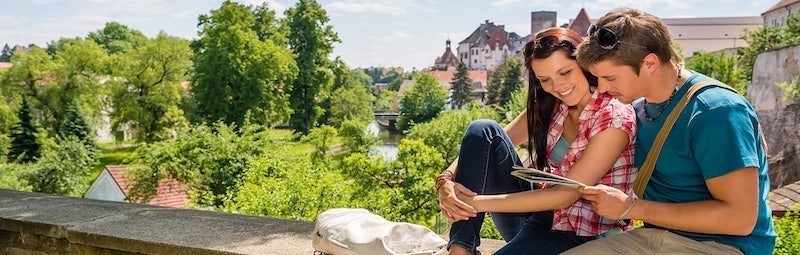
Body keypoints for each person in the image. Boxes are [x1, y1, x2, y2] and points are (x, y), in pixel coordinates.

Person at [564, 7, 776, 255]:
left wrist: (632, 208)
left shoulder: (715, 112)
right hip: (656, 236)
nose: (601, 88)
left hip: (726, 246)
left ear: (650, 63)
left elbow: (739, 220)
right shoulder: (638, 107)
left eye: (610, 77)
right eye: (597, 78)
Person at [434, 27, 637, 255]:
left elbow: (565, 195)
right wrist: (446, 180)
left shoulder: (615, 118)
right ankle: (461, 249)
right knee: (482, 129)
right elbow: (487, 144)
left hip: (584, 235)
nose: (558, 86)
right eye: (545, 79)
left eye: (565, 72)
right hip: (540, 220)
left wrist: (471, 203)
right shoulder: (550, 102)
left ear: (583, 63)